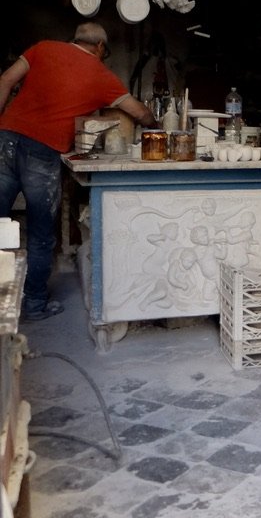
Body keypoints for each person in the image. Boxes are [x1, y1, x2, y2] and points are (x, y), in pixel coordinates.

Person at [0, 22, 156, 320]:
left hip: (4, 140)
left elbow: (5, 80)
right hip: (42, 152)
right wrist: (155, 125)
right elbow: (139, 113)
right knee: (41, 234)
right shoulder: (101, 74)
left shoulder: (42, 47)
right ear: (99, 47)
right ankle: (33, 306)